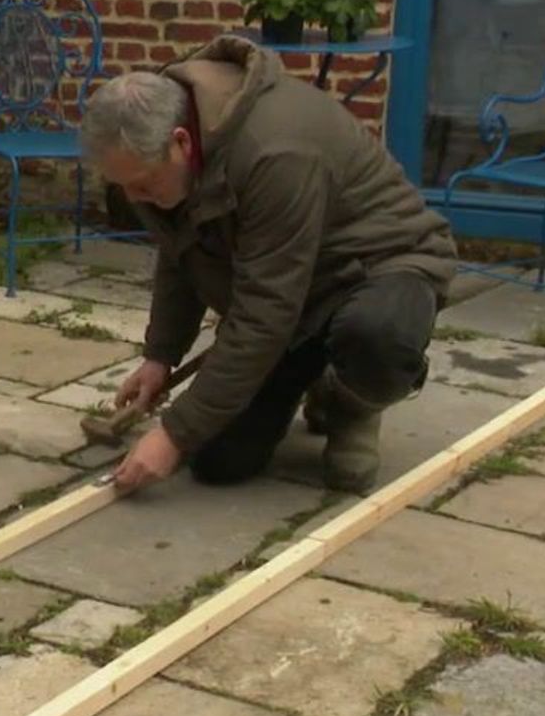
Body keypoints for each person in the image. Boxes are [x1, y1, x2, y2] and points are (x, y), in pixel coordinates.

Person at [79, 34, 459, 495]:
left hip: (377, 265)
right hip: (288, 291)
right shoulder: (152, 149)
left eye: (141, 185)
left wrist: (173, 434)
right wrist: (161, 355)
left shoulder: (276, 151)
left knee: (375, 336)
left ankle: (353, 402)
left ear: (181, 142)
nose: (135, 199)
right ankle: (313, 371)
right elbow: (181, 253)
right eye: (124, 187)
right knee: (219, 461)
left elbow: (264, 311)